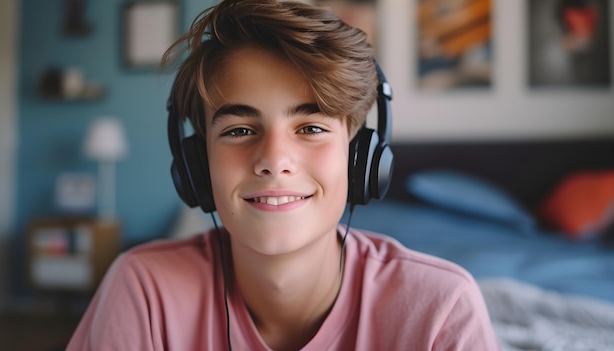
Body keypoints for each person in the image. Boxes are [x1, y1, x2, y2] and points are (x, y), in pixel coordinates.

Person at [66, 0, 501, 350]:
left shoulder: (440, 311)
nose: (274, 160)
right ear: (198, 164)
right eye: (239, 130)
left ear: (358, 157)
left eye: (311, 128)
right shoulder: (143, 291)